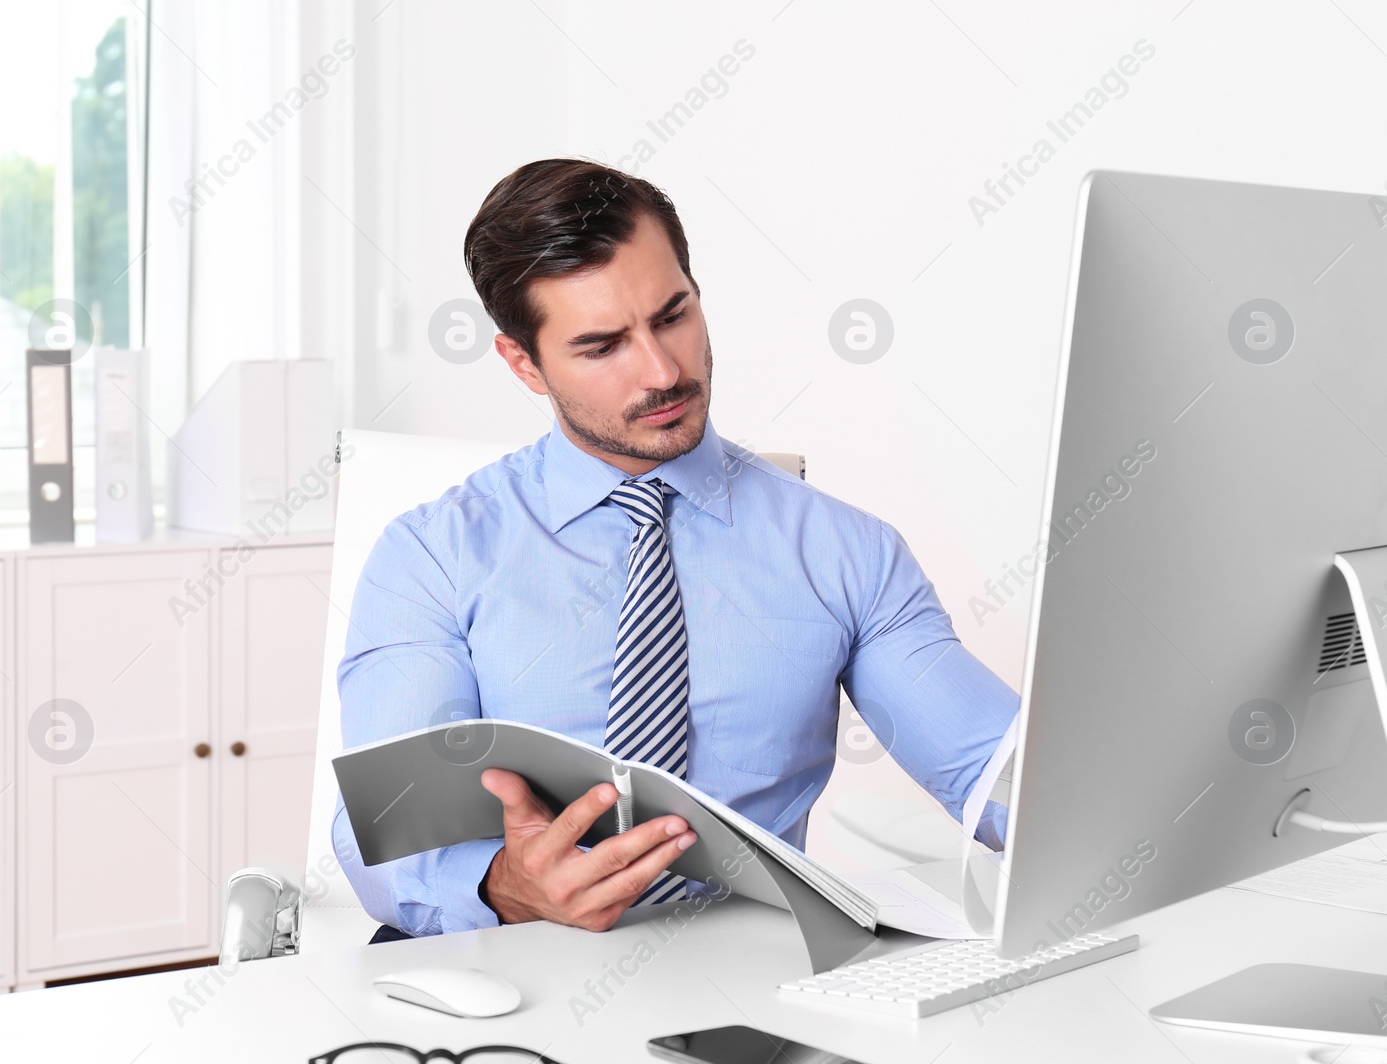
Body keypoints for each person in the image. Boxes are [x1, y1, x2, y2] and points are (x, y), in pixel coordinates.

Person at [334, 158, 1018, 942]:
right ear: (525, 363)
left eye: (672, 315)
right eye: (601, 346)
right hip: (503, 966)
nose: (663, 371)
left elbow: (992, 773)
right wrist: (505, 887)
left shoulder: (843, 552)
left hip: (745, 979)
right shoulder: (433, 555)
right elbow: (382, 836)